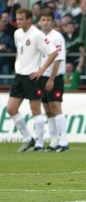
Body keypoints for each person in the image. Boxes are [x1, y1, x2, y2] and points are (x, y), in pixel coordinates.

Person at [8, 8, 59, 152]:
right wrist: (17, 64)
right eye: (17, 19)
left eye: (21, 19)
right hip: (20, 75)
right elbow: (20, 50)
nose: (18, 22)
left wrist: (41, 70)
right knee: (11, 109)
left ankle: (40, 144)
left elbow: (53, 52)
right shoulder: (17, 33)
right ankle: (27, 138)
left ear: (29, 20)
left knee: (35, 110)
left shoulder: (37, 35)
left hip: (32, 76)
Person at [38, 9, 69, 152]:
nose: (45, 23)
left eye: (48, 20)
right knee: (48, 110)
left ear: (52, 21)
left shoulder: (57, 37)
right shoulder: (38, 36)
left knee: (56, 108)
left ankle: (63, 141)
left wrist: (51, 79)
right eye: (43, 20)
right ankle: (53, 141)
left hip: (54, 77)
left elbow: (58, 59)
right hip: (41, 77)